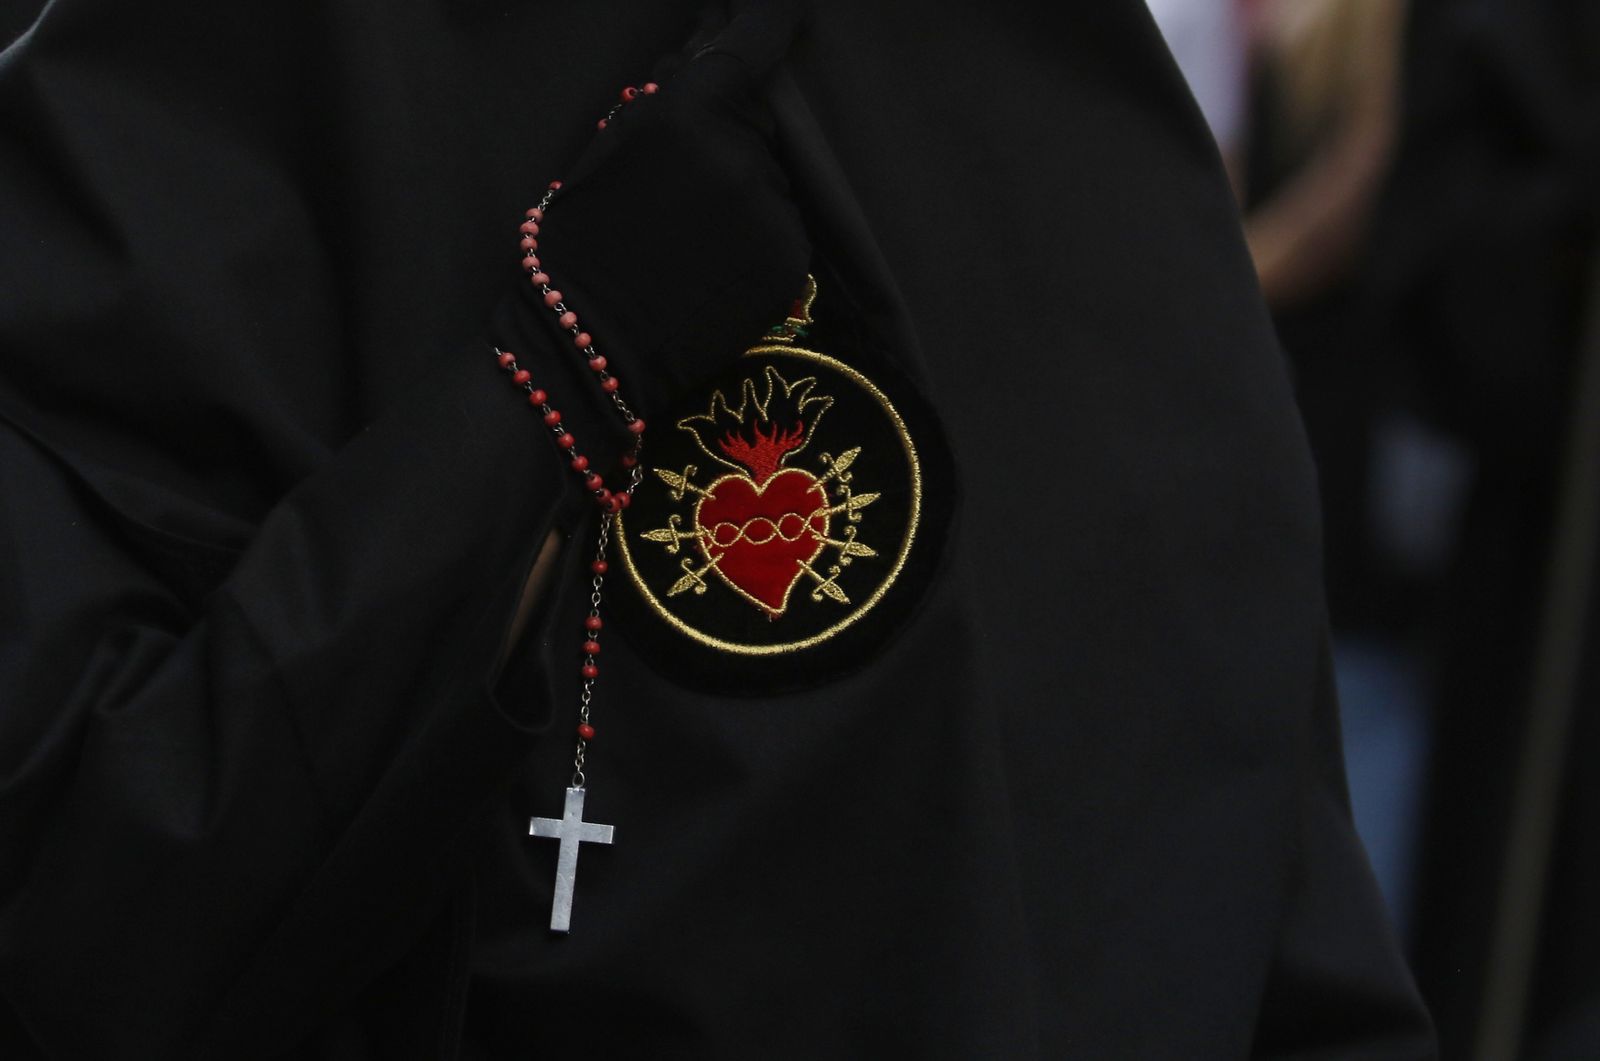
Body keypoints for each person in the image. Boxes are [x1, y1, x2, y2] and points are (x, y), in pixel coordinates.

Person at [0, 1, 1434, 1056]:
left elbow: (1260, 909)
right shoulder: (247, 68)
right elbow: (89, 902)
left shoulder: (1066, 130)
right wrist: (545, 393)